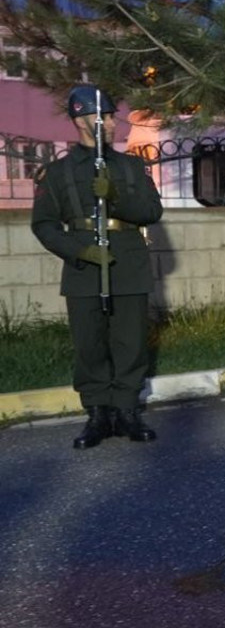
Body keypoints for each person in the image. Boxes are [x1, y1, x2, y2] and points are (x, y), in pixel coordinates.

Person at [31, 85, 163, 449]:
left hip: (128, 263)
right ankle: (97, 414)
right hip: (84, 267)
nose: (109, 122)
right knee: (89, 344)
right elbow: (43, 224)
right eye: (101, 116)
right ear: (80, 119)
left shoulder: (133, 166)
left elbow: (152, 212)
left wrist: (116, 198)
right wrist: (81, 251)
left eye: (109, 115)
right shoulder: (57, 173)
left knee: (130, 342)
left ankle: (126, 410)